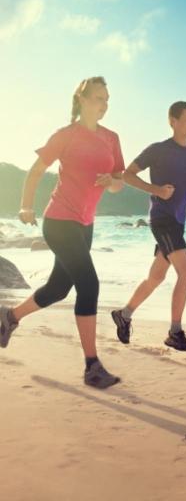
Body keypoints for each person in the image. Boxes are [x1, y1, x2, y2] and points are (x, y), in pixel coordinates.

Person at [0, 77, 125, 389]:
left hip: (86, 224)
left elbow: (118, 183)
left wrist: (109, 181)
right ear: (82, 100)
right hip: (59, 221)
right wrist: (26, 206)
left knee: (58, 288)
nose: (104, 104)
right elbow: (36, 171)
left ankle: (8, 318)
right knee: (89, 285)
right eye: (98, 98)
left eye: (107, 99)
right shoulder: (66, 135)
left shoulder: (112, 138)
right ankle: (92, 366)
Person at [112, 101, 186, 351]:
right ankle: (175, 332)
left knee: (156, 277)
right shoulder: (157, 150)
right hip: (162, 218)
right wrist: (155, 190)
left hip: (177, 222)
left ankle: (124, 314)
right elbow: (127, 174)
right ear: (173, 121)